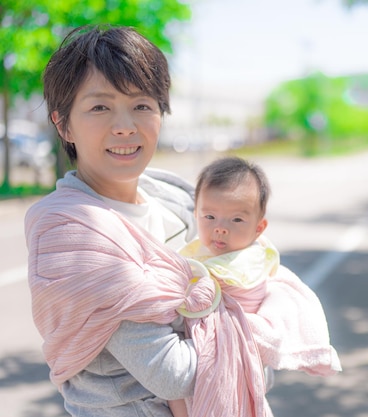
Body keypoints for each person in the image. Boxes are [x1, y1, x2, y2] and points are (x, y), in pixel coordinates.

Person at [24, 25, 269, 417]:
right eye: (99, 107)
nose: (125, 126)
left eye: (142, 105)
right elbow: (173, 375)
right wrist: (256, 347)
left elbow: (268, 287)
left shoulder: (180, 203)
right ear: (63, 124)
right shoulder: (75, 233)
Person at [169, 156, 342, 417]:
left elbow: (197, 293)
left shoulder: (243, 262)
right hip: (208, 351)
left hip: (228, 355)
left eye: (236, 220)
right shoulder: (208, 251)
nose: (220, 229)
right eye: (210, 216)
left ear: (259, 228)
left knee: (188, 401)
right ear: (196, 214)